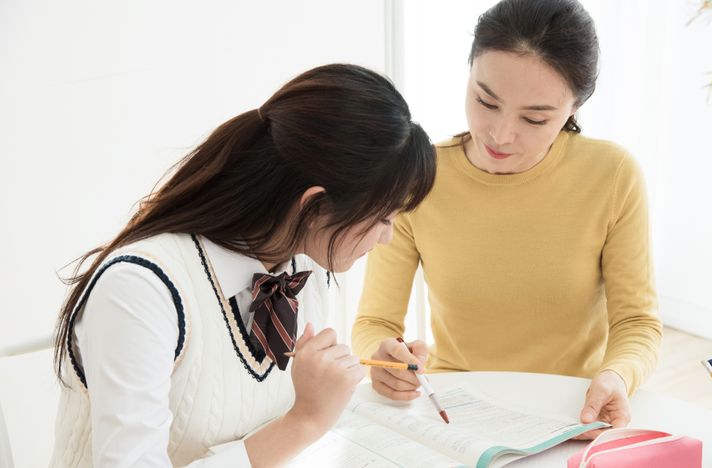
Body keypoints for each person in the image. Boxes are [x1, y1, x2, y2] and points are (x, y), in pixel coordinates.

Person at [50, 63, 436, 467]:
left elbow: (266, 418)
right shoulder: (142, 289)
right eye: (383, 218)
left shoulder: (303, 267)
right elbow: (293, 424)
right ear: (315, 207)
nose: (388, 237)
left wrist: (366, 380)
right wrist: (305, 420)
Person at [352, 0, 662, 438]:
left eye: (535, 118)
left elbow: (637, 323)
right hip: (458, 411)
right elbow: (374, 324)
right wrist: (381, 359)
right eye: (486, 101)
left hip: (574, 412)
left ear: (575, 107)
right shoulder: (418, 178)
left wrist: (617, 376)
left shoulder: (612, 175)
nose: (500, 134)